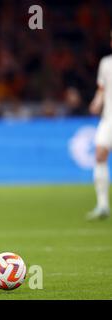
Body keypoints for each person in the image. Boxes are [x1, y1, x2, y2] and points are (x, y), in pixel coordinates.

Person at [86, 30, 112, 221]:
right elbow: (102, 89)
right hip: (108, 118)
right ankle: (102, 205)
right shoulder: (106, 64)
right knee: (100, 154)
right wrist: (96, 102)